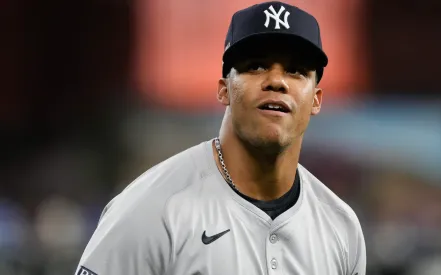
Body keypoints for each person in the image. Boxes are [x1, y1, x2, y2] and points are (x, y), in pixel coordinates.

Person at [74, 1, 366, 274]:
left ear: (316, 100)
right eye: (256, 66)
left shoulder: (341, 227)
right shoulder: (149, 209)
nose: (276, 81)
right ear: (224, 89)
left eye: (296, 71)